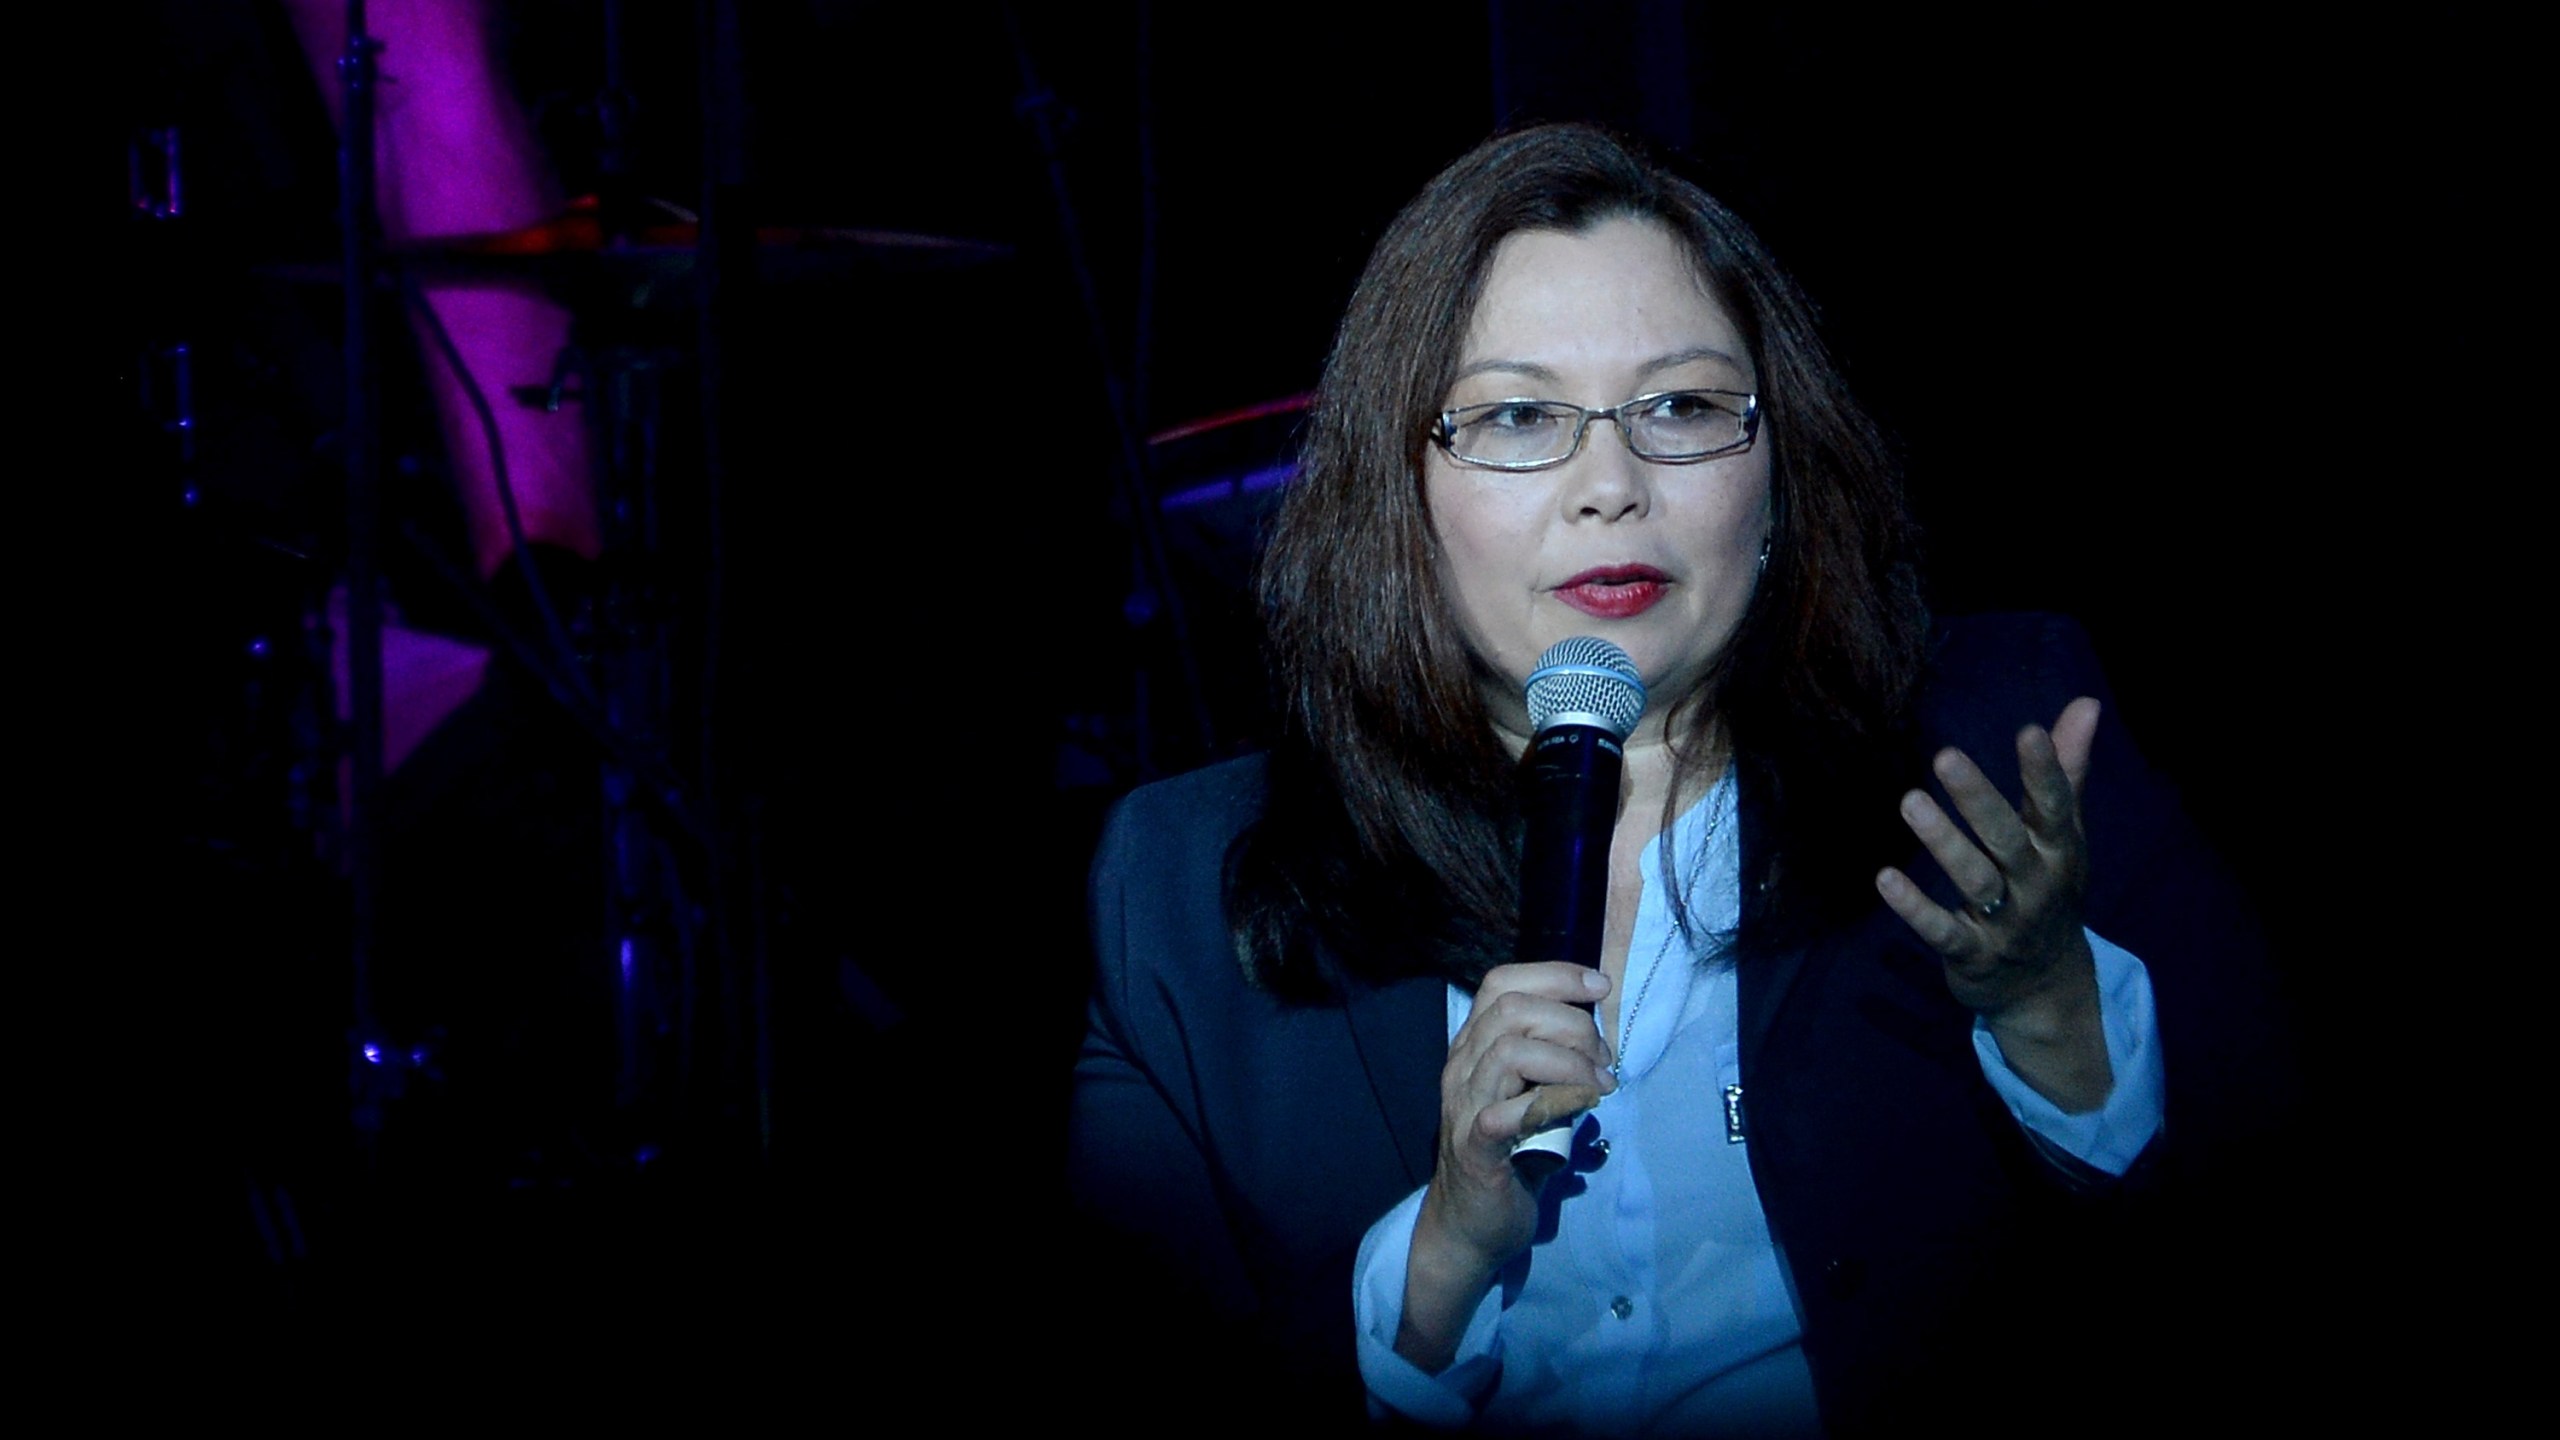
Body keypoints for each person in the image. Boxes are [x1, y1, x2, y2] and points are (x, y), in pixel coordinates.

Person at [1070, 123, 2283, 1435]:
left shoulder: (2006, 740)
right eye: (1522, 416)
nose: (1613, 485)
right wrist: (1434, 1269)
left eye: (1684, 408)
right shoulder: (1179, 893)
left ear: (1777, 477)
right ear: (1398, 490)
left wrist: (2055, 1016)